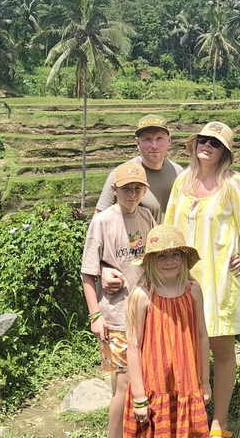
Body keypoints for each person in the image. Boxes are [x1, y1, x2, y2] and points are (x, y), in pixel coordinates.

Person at [164, 122, 240, 438]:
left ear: (224, 153)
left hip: (219, 283)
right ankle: (189, 415)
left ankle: (219, 421)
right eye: (202, 140)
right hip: (182, 281)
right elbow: (167, 230)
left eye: (214, 143)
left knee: (222, 351)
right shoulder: (181, 183)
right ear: (194, 145)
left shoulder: (234, 186)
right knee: (184, 348)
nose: (206, 146)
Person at [81, 163, 157, 438]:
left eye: (138, 188)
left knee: (130, 379)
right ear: (114, 189)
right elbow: (87, 273)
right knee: (125, 384)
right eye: (125, 188)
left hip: (146, 312)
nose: (131, 193)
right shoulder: (102, 222)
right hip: (115, 317)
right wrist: (95, 316)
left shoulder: (147, 217)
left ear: (145, 190)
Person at [123, 225, 211, 438]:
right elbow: (133, 347)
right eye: (160, 256)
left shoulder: (194, 290)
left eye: (174, 255)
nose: (169, 261)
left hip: (187, 381)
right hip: (154, 384)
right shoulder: (143, 295)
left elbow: (201, 336)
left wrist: (205, 381)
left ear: (183, 258)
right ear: (150, 261)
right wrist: (139, 396)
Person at [96, 114, 183, 225]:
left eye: (159, 138)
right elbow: (99, 219)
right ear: (138, 143)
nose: (154, 145)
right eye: (147, 139)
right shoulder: (121, 174)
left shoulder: (178, 173)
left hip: (169, 240)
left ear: (169, 141)